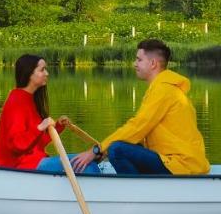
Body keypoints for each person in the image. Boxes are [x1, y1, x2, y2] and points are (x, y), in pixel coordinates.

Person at [70, 39, 209, 175]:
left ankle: (135, 191)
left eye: (139, 60)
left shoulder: (163, 90)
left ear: (153, 63)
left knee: (116, 149)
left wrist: (96, 150)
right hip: (174, 160)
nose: (134, 64)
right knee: (125, 145)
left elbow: (137, 126)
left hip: (181, 164)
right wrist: (102, 152)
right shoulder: (162, 87)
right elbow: (139, 133)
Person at [0, 54, 100, 173]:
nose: (47, 73)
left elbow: (37, 143)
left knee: (91, 160)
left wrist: (58, 126)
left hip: (34, 161)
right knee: (87, 165)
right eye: (42, 70)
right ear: (29, 74)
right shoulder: (16, 101)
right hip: (20, 166)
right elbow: (16, 145)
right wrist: (40, 127)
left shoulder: (30, 99)